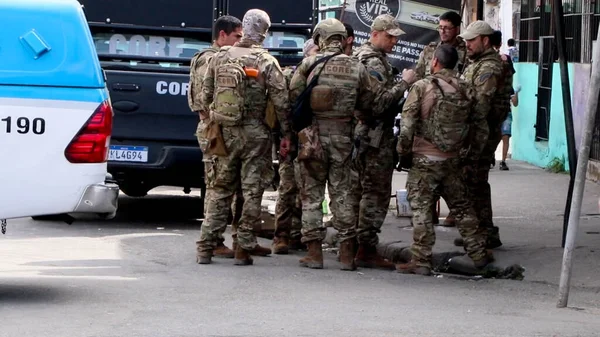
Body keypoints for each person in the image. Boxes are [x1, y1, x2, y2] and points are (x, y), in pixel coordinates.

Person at [197, 9, 290, 266]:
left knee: (219, 190)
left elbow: (204, 97)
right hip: (256, 136)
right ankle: (242, 248)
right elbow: (282, 103)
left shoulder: (221, 56)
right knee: (251, 191)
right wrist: (287, 133)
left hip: (225, 133)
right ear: (264, 32)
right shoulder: (267, 61)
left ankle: (205, 247)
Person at [288, 18, 376, 270]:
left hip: (312, 137)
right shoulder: (358, 68)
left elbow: (292, 99)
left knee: (312, 195)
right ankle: (347, 255)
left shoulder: (309, 64)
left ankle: (315, 254)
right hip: (343, 137)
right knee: (343, 195)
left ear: (320, 38)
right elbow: (367, 104)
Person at [395, 44, 491, 275]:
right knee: (462, 207)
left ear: (435, 62)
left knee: (422, 209)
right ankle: (478, 253)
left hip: (424, 159)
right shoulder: (466, 89)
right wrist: (471, 156)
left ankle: (421, 260)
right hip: (454, 160)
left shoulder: (421, 87)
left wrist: (403, 153)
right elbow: (481, 127)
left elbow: (407, 126)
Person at [351, 14, 416, 270]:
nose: (394, 42)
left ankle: (355, 245)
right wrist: (404, 83)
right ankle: (365, 248)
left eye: (395, 38)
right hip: (374, 134)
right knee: (375, 193)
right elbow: (380, 104)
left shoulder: (361, 56)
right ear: (375, 34)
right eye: (389, 37)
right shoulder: (373, 63)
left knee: (361, 190)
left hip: (363, 134)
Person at [189, 15, 243, 260]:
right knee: (217, 187)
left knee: (219, 186)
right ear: (223, 35)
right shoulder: (212, 60)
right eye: (236, 37)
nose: (238, 42)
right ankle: (212, 241)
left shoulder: (208, 57)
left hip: (214, 128)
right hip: (214, 129)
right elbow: (204, 99)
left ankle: (218, 239)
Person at [451, 21, 505, 256]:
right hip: (476, 131)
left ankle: (482, 234)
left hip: (480, 133)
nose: (467, 44)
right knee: (475, 182)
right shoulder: (478, 63)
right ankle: (483, 232)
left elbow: (480, 105)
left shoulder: (489, 68)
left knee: (474, 181)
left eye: (472, 40)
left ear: (485, 40)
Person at [413, 10, 467, 227]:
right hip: (430, 110)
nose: (443, 32)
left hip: (455, 112)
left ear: (457, 29)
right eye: (440, 28)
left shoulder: (466, 50)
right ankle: (430, 212)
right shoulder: (429, 51)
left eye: (447, 28)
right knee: (428, 165)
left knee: (456, 166)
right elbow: (418, 74)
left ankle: (456, 212)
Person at [270, 39, 319, 254]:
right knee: (288, 188)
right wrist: (286, 136)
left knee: (307, 190)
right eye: (316, 51)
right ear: (306, 52)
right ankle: (281, 236)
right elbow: (282, 108)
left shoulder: (321, 75)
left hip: (313, 140)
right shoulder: (292, 75)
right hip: (292, 140)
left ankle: (298, 235)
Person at [490, 30, 517, 171]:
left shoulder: (504, 59)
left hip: (498, 105)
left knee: (502, 135)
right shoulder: (484, 60)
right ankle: (493, 157)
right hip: (495, 105)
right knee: (495, 135)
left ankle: (502, 160)